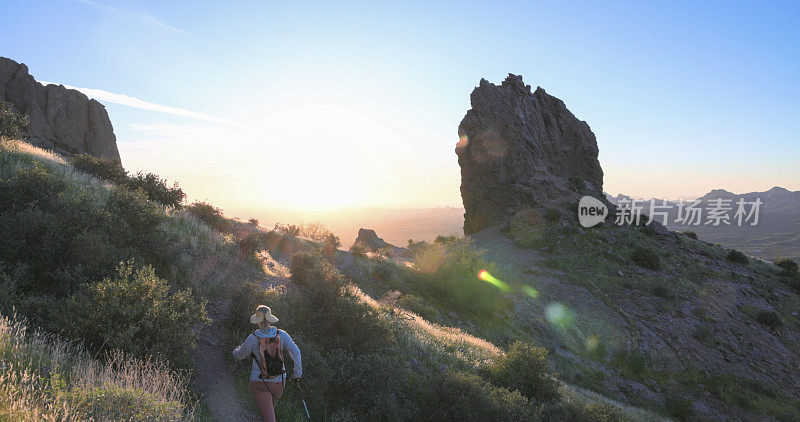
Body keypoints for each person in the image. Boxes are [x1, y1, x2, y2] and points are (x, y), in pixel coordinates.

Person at [233, 305, 302, 422]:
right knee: (268, 413)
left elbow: (239, 355)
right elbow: (296, 352)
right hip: (279, 382)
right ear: (270, 319)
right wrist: (297, 373)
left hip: (260, 383)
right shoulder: (282, 334)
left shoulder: (253, 338)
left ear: (258, 322)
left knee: (269, 418)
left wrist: (235, 351)